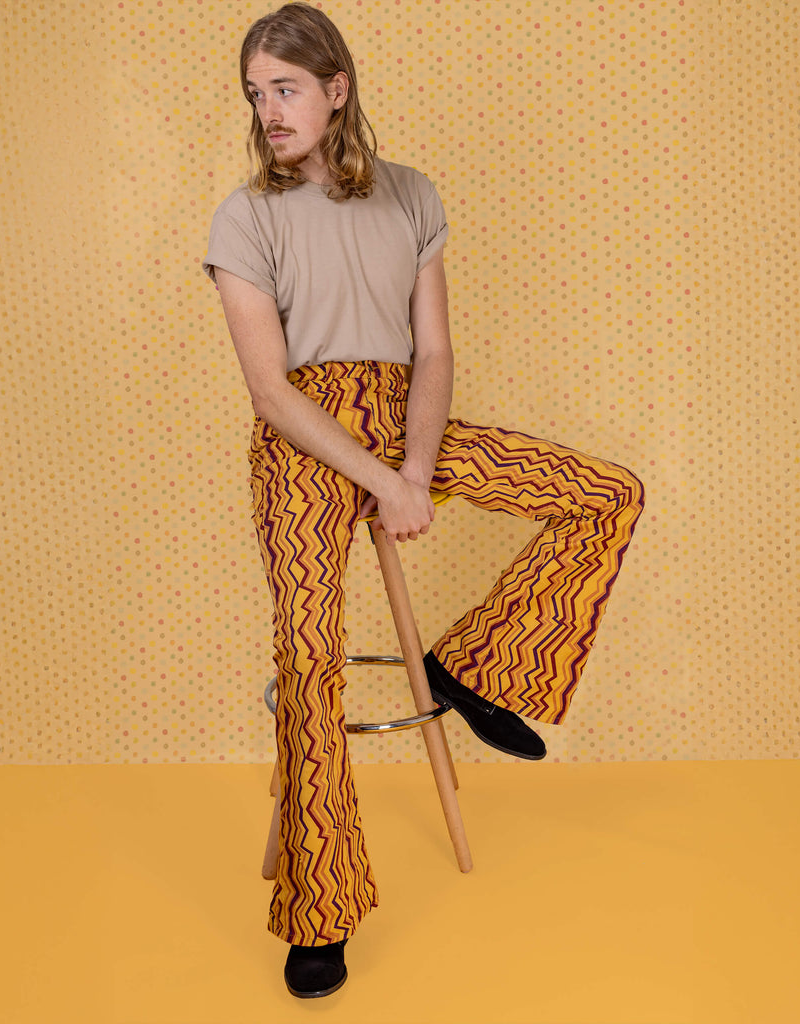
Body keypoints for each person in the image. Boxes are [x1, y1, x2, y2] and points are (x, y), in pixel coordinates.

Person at [203, 1, 644, 999]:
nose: (268, 109)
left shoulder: (410, 196)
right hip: (307, 441)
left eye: (285, 87)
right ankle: (321, 913)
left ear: (336, 89)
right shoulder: (246, 214)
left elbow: (436, 349)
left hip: (409, 421)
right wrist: (382, 480)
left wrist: (415, 459)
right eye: (256, 92)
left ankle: (473, 665)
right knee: (310, 651)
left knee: (605, 494)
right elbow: (271, 391)